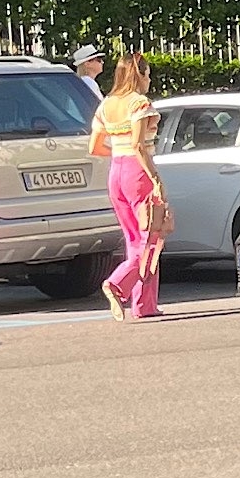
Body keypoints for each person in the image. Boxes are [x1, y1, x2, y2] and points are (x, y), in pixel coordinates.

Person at [89, 51, 169, 319]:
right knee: (150, 239)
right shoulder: (140, 103)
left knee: (134, 238)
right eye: (147, 74)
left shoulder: (106, 104)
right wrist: (155, 178)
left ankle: (145, 305)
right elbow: (138, 145)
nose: (149, 79)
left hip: (116, 171)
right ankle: (118, 284)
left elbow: (95, 146)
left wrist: (118, 152)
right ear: (140, 74)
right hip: (138, 173)